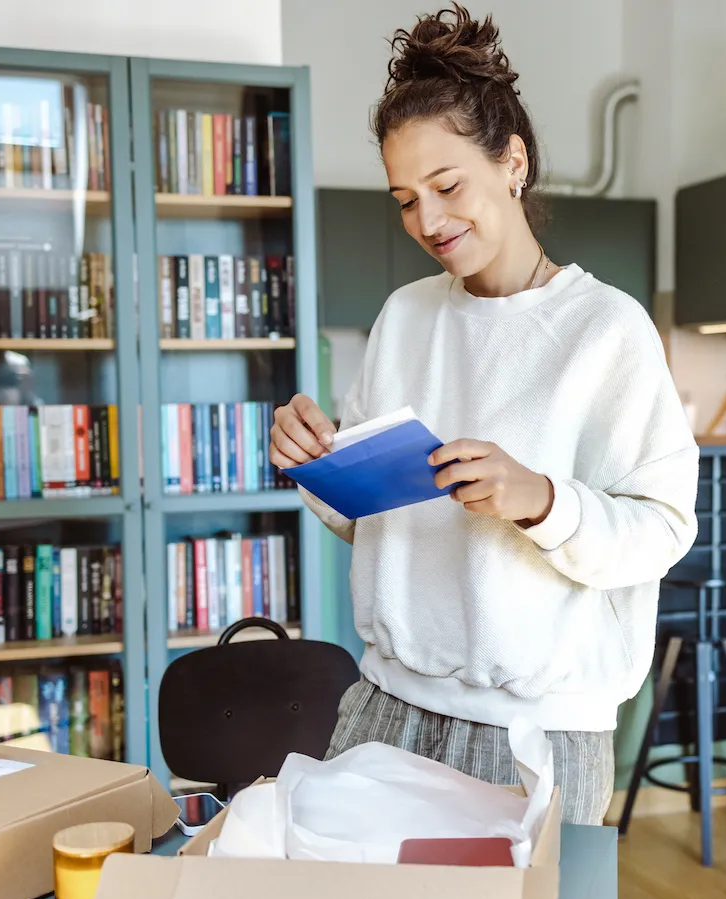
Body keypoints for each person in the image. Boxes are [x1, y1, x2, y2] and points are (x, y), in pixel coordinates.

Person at [268, 3, 698, 825]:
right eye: (404, 199)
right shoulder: (405, 317)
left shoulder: (606, 330)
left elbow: (663, 530)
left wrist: (541, 498)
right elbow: (373, 521)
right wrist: (313, 465)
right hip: (384, 705)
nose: (427, 221)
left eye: (447, 185)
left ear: (513, 163)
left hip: (534, 734)